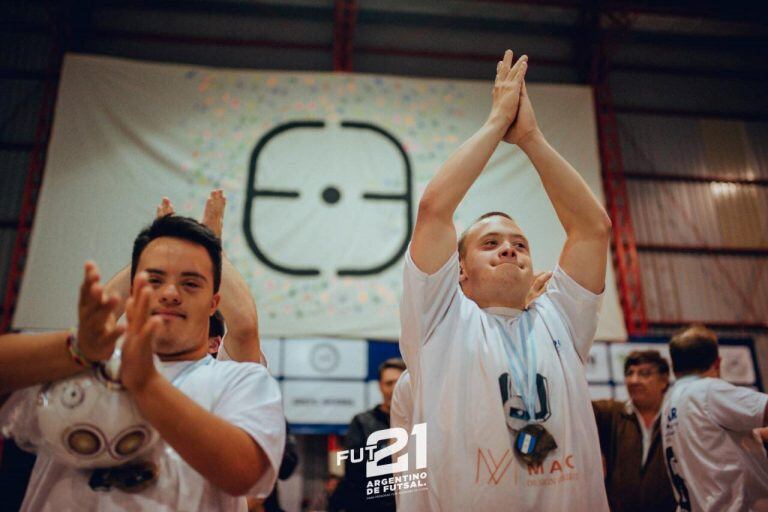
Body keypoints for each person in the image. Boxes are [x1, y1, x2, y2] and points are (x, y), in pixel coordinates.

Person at [399, 49, 611, 510]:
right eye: (490, 244)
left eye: (519, 243)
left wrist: (532, 138)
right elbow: (435, 210)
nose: (510, 248)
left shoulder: (563, 319)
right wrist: (498, 123)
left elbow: (592, 228)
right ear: (460, 271)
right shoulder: (439, 320)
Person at [0, 214, 285, 511]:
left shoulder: (240, 380)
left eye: (190, 283)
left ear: (214, 303)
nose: (170, 294)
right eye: (154, 280)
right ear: (132, 292)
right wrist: (81, 347)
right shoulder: (74, 361)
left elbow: (243, 473)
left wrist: (147, 384)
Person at [661, 324, 768, 512]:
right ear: (717, 363)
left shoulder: (671, 401)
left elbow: (711, 440)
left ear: (674, 367)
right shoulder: (708, 390)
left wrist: (757, 435)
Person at [592, 350, 676, 512]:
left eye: (644, 374)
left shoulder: (676, 418)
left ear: (664, 380)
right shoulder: (611, 413)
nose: (634, 380)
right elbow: (574, 407)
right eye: (630, 373)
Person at [336, 357, 406, 511]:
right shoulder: (362, 422)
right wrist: (389, 447)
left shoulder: (419, 421)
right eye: (389, 383)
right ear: (380, 386)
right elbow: (353, 470)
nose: (394, 388)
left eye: (399, 382)